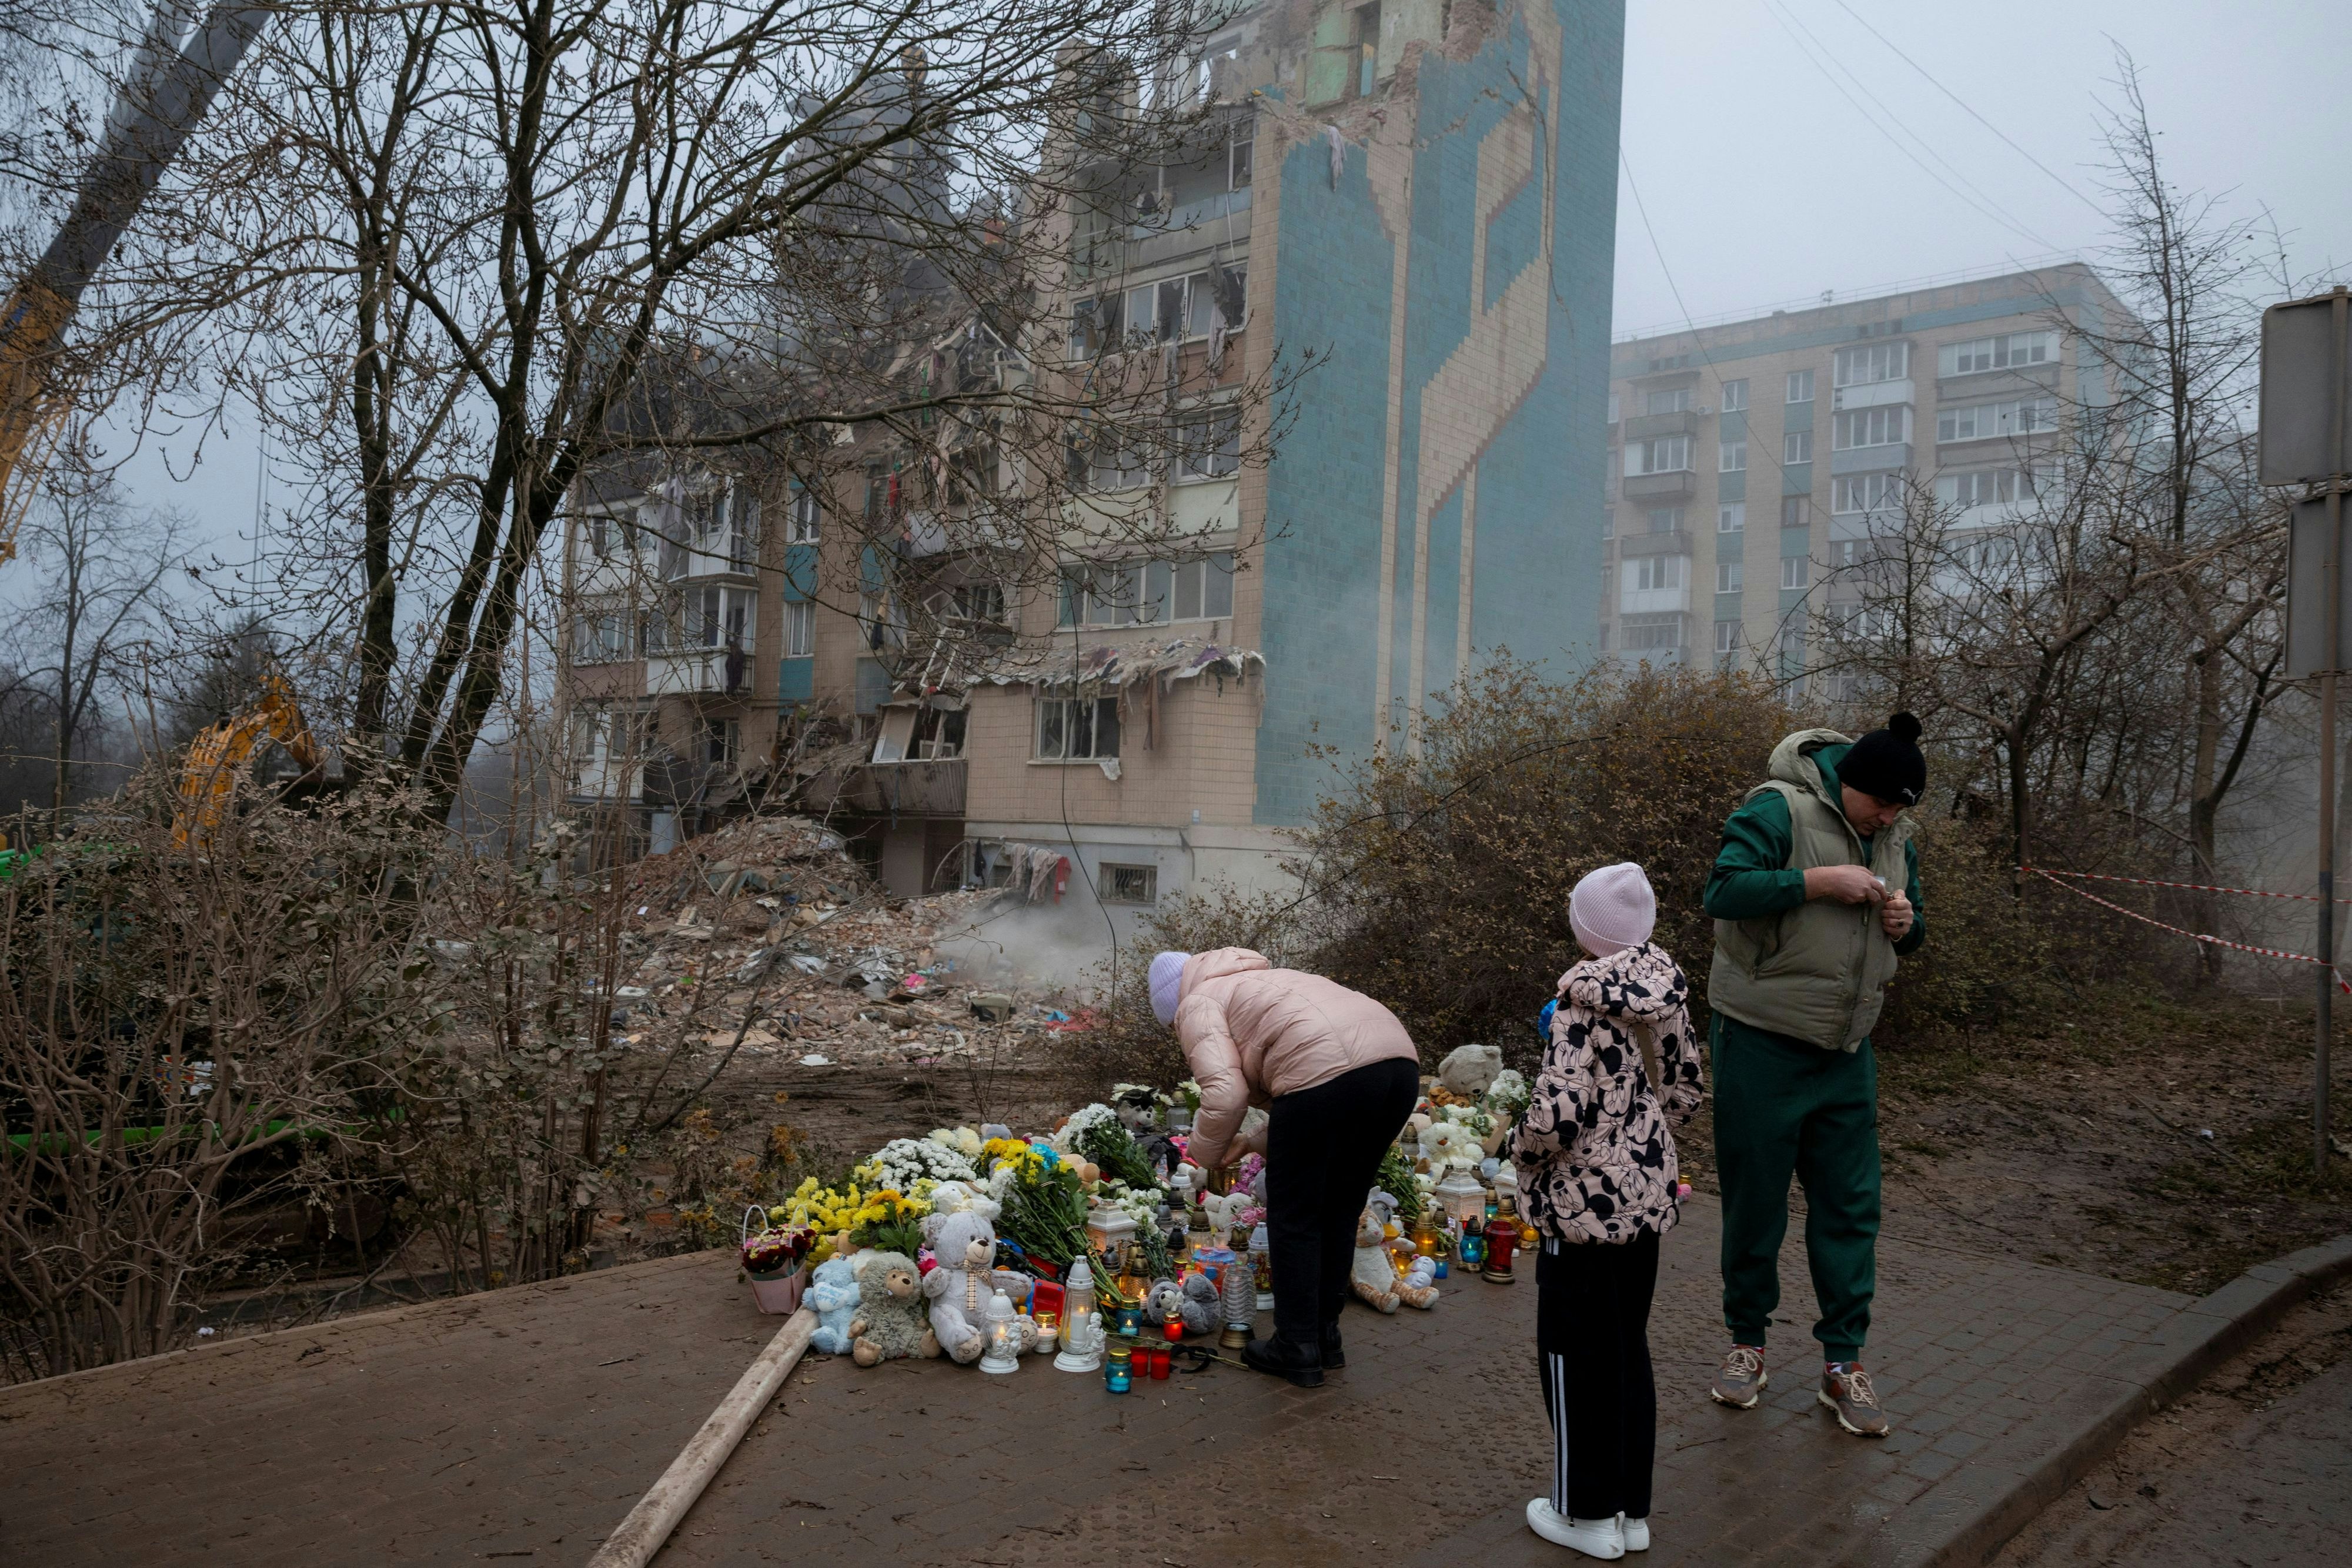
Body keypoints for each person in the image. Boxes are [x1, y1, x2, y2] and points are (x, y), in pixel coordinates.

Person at [1702, 712, 1927, 1439]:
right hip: (1762, 1042)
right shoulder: (1778, 807)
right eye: (1881, 804)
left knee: (1850, 1207)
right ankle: (1747, 1347)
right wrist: (1815, 882)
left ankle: (1842, 1363)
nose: (1888, 818)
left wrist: (1905, 923)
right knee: (1756, 1201)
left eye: (1899, 809)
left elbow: (1916, 927)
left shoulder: (1895, 837)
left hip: (1846, 1050)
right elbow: (1723, 892)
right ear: (1849, 783)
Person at [1512, 863, 1703, 1560]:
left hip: (1583, 1207)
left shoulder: (1576, 1005)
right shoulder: (1667, 988)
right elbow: (1686, 1087)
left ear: (1585, 929)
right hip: (1647, 1196)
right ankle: (1629, 1512)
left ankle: (1584, 1515)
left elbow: (1555, 1118)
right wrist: (1643, 1147)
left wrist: (1519, 1150)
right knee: (1626, 1347)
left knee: (1571, 1354)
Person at [1152, 947, 1419, 1388]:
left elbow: (1226, 1093)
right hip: (1396, 1067)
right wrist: (1249, 1142)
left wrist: (1204, 1155)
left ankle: (1295, 1346)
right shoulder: (1267, 978)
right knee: (1339, 1208)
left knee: (1294, 1214)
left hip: (1331, 1074)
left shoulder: (1197, 1001)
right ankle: (1323, 1336)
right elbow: (1308, 1092)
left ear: (1172, 1005)